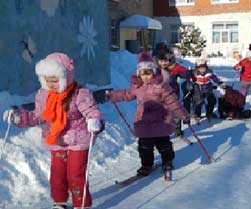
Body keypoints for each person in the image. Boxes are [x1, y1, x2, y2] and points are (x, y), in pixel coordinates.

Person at [2, 52, 105, 209]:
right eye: (47, 81)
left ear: (66, 77)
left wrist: (94, 121)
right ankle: (60, 202)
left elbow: (92, 111)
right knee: (57, 175)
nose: (51, 85)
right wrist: (18, 118)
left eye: (55, 81)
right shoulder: (44, 95)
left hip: (78, 139)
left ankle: (81, 204)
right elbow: (38, 116)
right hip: (56, 140)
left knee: (75, 174)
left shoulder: (79, 94)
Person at [106, 52, 190, 176]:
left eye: (148, 73)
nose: (145, 77)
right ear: (138, 73)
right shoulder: (137, 86)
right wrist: (113, 96)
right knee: (144, 146)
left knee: (164, 144)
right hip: (143, 120)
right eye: (142, 73)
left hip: (161, 119)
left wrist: (183, 114)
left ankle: (167, 161)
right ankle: (146, 165)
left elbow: (173, 101)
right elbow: (127, 94)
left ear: (154, 72)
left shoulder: (161, 85)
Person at [155, 50, 192, 138]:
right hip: (159, 95)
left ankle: (177, 129)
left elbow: (184, 73)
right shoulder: (155, 70)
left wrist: (188, 72)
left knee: (175, 112)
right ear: (157, 61)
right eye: (161, 61)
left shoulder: (174, 68)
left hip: (173, 94)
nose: (163, 63)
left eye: (166, 61)